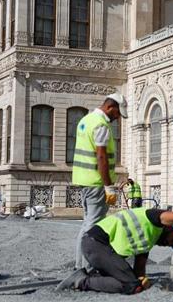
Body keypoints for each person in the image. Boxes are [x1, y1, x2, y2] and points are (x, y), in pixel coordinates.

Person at [57, 207, 173, 294]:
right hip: (96, 243)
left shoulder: (147, 241)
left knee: (133, 284)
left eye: (171, 245)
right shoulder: (154, 218)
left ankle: (95, 276)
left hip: (99, 249)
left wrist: (143, 281)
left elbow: (138, 272)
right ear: (169, 227)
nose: (168, 244)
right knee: (131, 286)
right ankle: (82, 281)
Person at [73, 93, 128, 271]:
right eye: (117, 114)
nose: (117, 118)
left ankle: (80, 264)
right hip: (96, 182)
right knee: (93, 225)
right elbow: (101, 156)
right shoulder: (101, 125)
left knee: (88, 222)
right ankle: (86, 267)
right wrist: (108, 186)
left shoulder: (86, 120)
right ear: (111, 107)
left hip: (84, 180)